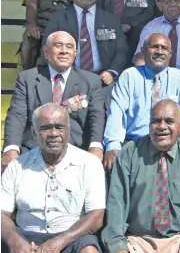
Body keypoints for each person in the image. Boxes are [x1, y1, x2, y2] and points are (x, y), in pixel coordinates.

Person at [101, 100, 180, 253]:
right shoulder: (130, 152)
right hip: (138, 240)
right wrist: (118, 245)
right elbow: (117, 203)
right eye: (156, 121)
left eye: (169, 121)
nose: (162, 126)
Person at [1, 103, 106, 253]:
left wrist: (60, 241)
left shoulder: (89, 164)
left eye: (60, 127)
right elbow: (2, 213)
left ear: (68, 131)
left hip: (71, 236)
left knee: (89, 251)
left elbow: (96, 216)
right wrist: (15, 241)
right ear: (34, 131)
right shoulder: (17, 166)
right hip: (25, 236)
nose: (53, 133)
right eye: (45, 128)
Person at [2, 31, 105, 169]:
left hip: (75, 149)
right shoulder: (27, 79)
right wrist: (11, 149)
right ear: (45, 52)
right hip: (34, 149)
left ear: (75, 53)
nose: (64, 51)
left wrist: (96, 145)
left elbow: (96, 116)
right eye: (58, 46)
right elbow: (17, 115)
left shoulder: (91, 81)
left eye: (69, 47)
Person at [103, 33, 180, 169]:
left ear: (170, 54)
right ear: (143, 51)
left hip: (171, 146)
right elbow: (117, 114)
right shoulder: (129, 76)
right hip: (135, 145)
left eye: (164, 48)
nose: (159, 51)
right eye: (154, 47)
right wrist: (112, 146)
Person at [43, 0, 128, 88]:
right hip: (67, 80)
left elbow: (121, 50)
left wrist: (111, 72)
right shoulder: (58, 18)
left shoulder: (110, 19)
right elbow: (47, 50)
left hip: (102, 80)